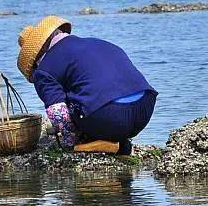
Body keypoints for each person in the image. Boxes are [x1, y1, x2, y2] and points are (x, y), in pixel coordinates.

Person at [17, 15, 157, 155]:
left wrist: (72, 141)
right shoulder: (98, 42)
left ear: (35, 58)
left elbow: (57, 112)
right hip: (145, 108)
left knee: (75, 110)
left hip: (110, 115)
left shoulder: (43, 71)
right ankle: (119, 141)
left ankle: (105, 144)